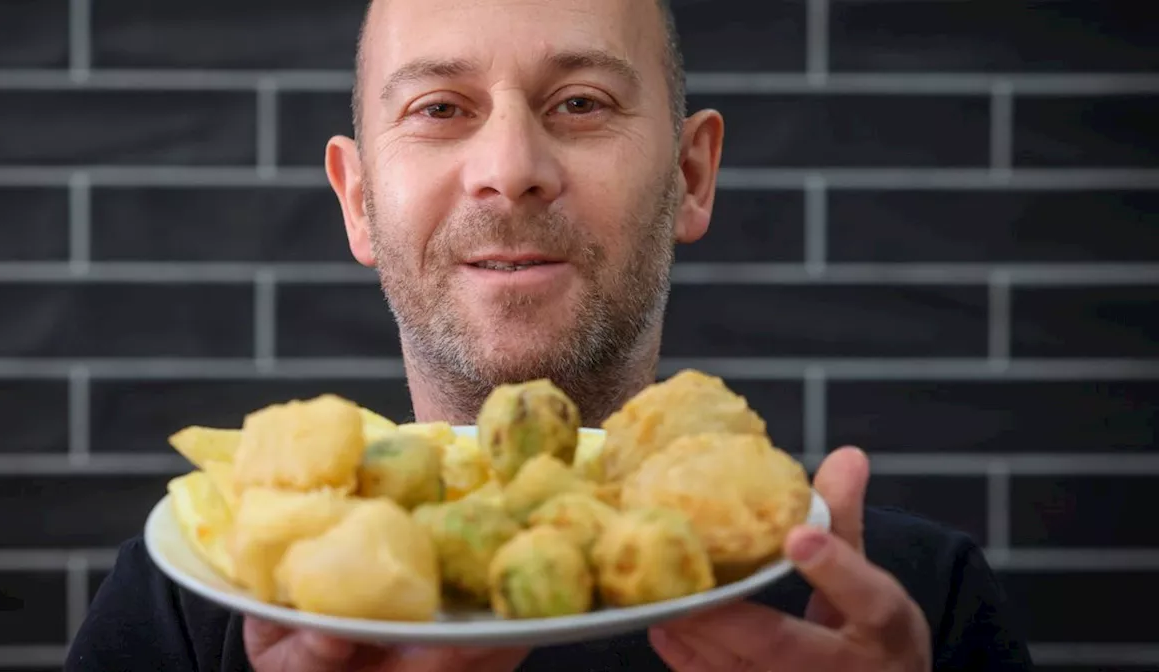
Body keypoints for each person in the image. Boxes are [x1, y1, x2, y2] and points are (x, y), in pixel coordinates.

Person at [67, 0, 1035, 669]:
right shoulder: (192, 612)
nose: (510, 167)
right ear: (357, 200)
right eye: (439, 109)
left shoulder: (906, 615)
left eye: (578, 103)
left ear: (691, 177)